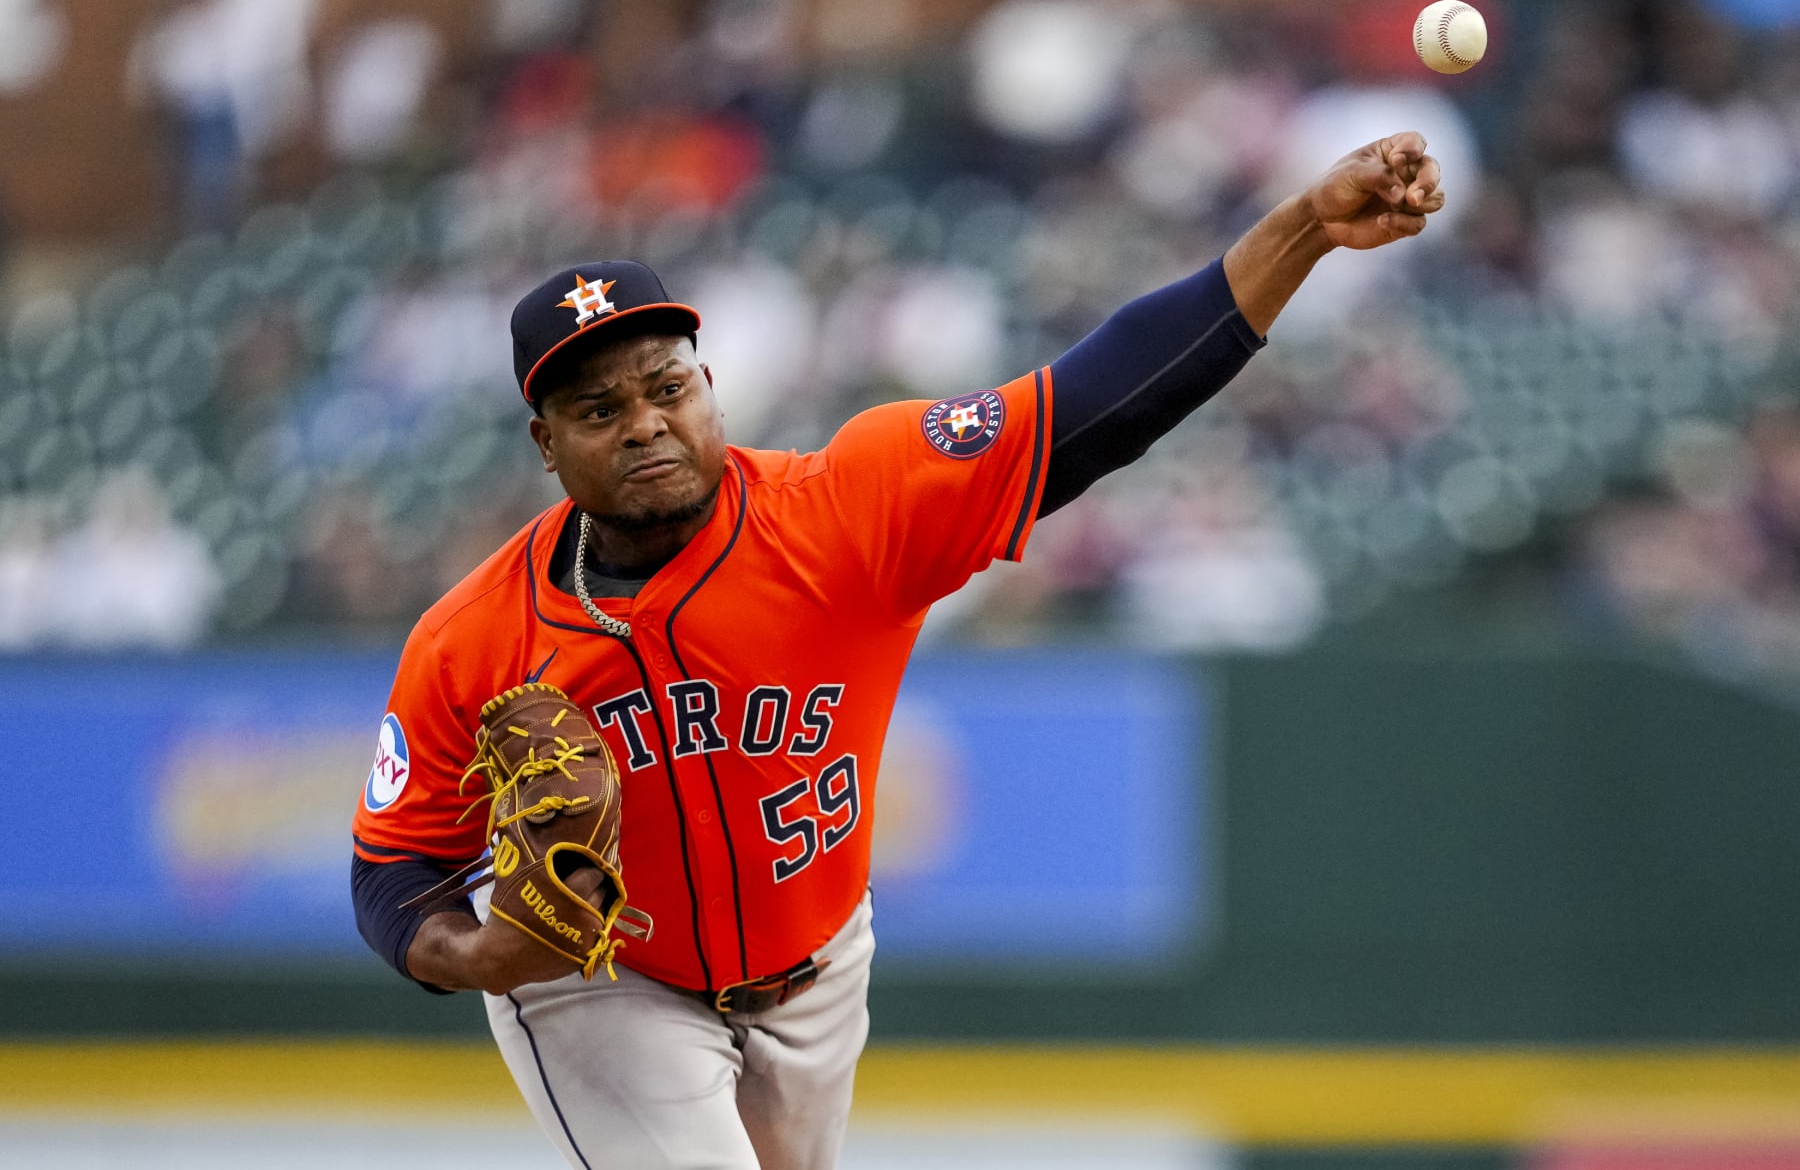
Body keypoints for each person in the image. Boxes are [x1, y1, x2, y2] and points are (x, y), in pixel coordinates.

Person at [350, 132, 1445, 1170]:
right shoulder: (474, 637)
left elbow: (1098, 401)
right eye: (599, 408)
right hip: (603, 982)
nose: (645, 424)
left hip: (820, 966)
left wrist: (1301, 225)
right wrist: (478, 957)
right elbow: (394, 866)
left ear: (710, 387)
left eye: (668, 387)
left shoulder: (845, 508)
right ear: (547, 445)